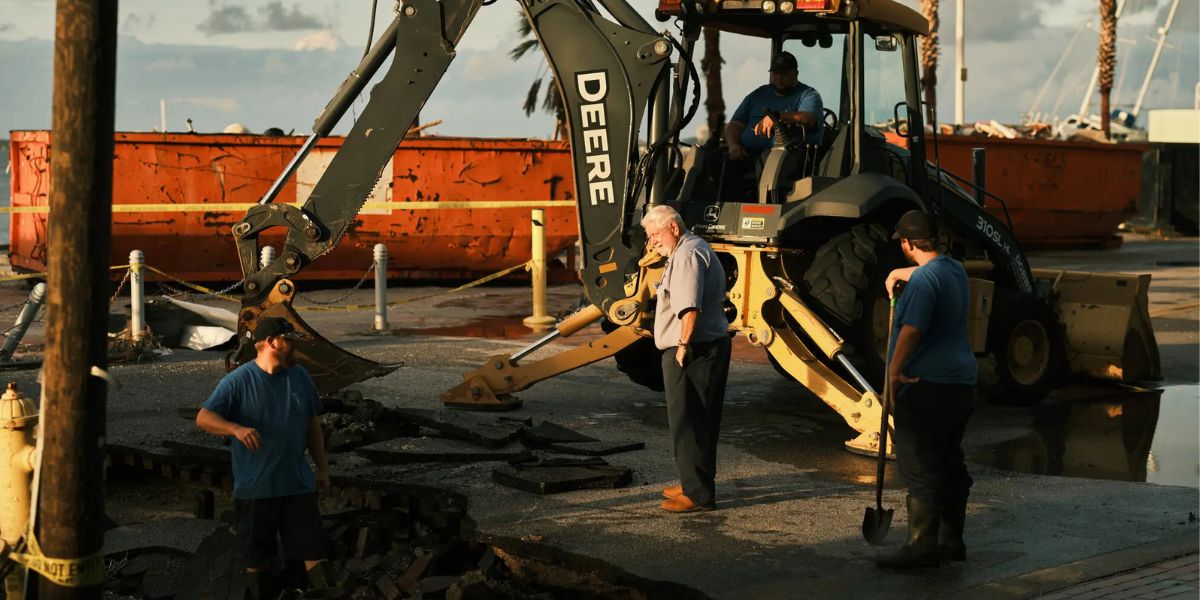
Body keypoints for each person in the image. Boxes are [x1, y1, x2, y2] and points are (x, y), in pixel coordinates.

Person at [195, 317, 332, 596]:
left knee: (314, 553)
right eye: (290, 341)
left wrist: (322, 468)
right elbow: (203, 418)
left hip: (298, 486)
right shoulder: (238, 381)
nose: (295, 348)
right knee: (257, 560)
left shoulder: (300, 377)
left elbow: (312, 423)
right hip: (257, 491)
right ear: (271, 342)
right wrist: (235, 428)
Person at [877, 210, 977, 569]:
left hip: (927, 385)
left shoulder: (922, 284)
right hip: (960, 383)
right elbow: (929, 272)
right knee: (948, 458)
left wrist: (893, 372)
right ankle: (952, 542)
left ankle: (921, 546)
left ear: (906, 243)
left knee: (919, 463)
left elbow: (912, 330)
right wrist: (897, 273)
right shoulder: (954, 270)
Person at [641, 205, 732, 513]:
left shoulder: (686, 255)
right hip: (705, 347)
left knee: (688, 422)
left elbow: (689, 308)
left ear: (674, 228)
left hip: (694, 351)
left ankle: (698, 495)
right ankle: (694, 483)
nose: (653, 242)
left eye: (655, 234)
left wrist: (682, 345)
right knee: (699, 421)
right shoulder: (692, 248)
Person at [723, 51, 824, 162]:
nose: (778, 77)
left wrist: (776, 117)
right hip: (745, 153)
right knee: (713, 157)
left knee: (769, 158)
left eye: (784, 73)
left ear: (796, 73)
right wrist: (733, 145)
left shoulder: (808, 95)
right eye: (775, 73)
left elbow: (809, 118)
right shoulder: (758, 95)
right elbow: (735, 124)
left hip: (784, 156)